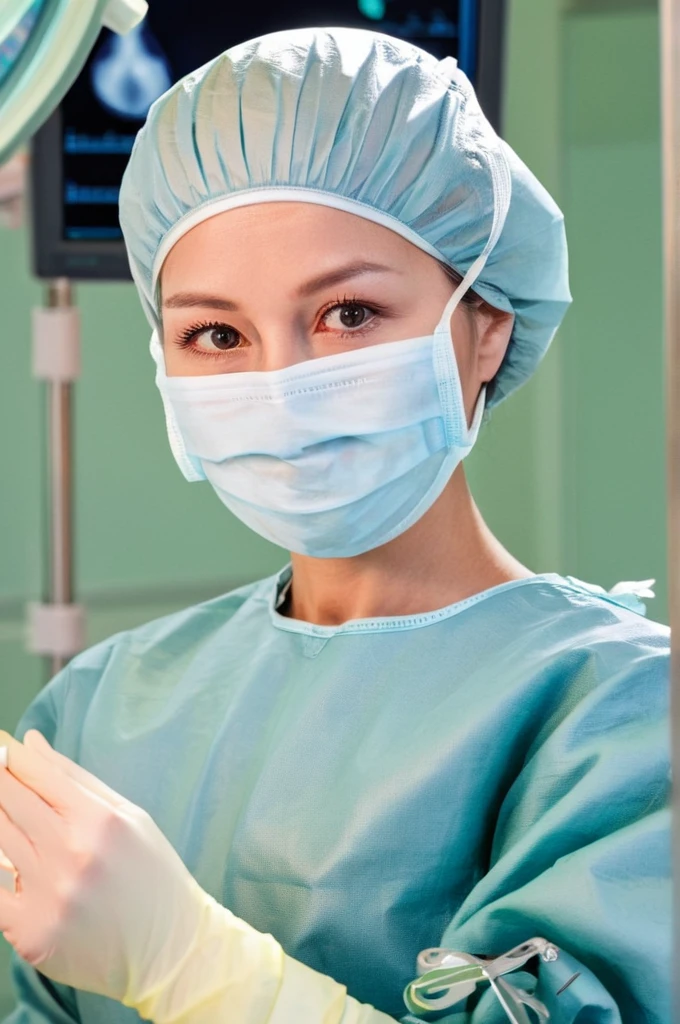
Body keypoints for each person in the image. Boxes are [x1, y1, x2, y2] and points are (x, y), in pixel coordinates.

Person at [0, 25, 669, 1024]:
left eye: (347, 314)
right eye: (214, 333)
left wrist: (197, 968)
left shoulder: (614, 716)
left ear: (484, 327)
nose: (283, 383)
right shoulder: (102, 706)